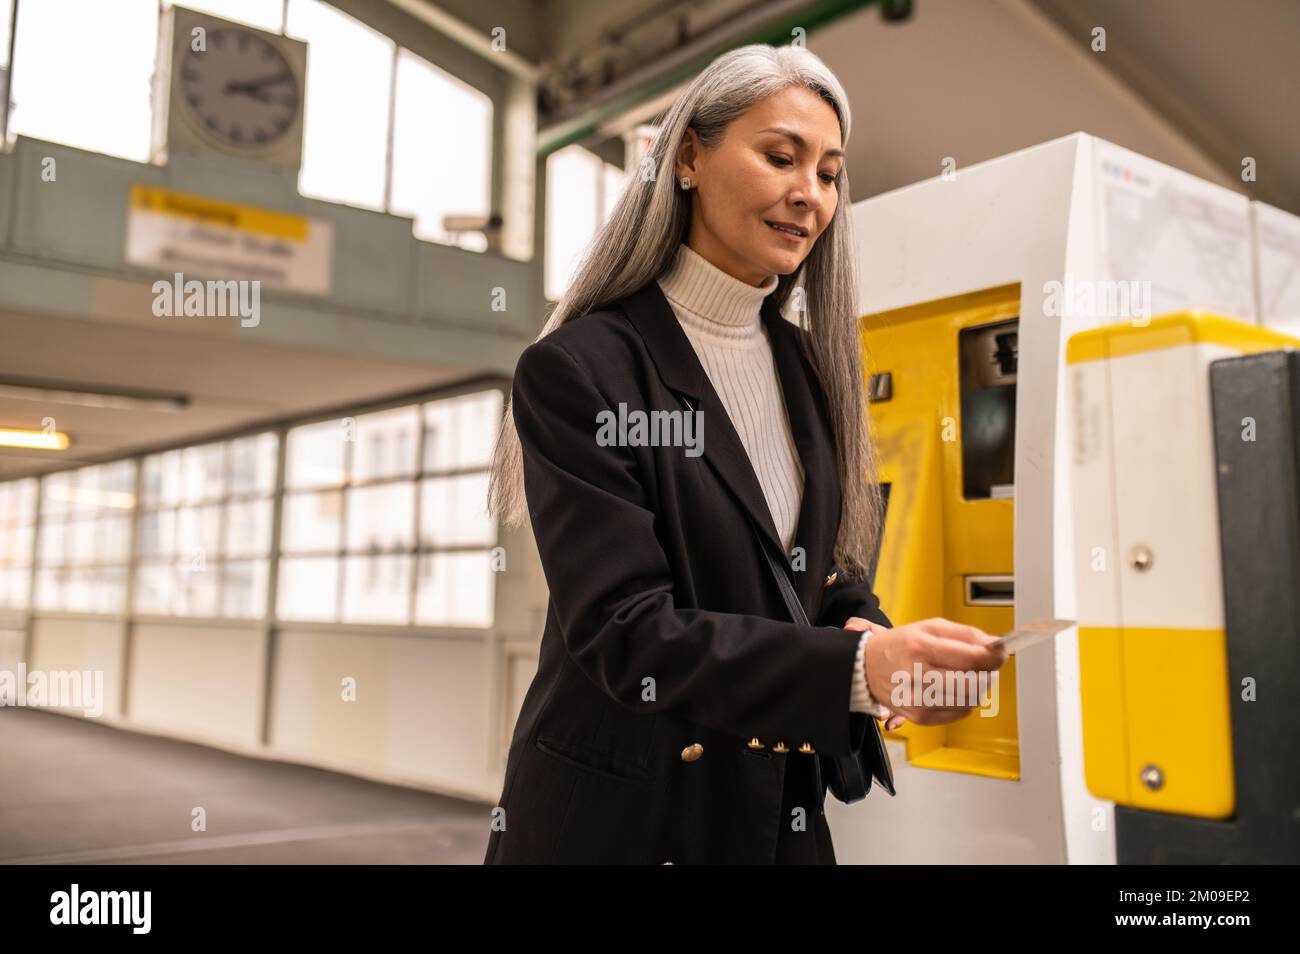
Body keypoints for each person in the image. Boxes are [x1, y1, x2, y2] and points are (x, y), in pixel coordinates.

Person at [483, 42, 1006, 865]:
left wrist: (876, 636)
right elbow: (629, 632)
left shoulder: (808, 365)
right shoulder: (582, 370)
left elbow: (817, 571)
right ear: (688, 156)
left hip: (774, 813)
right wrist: (861, 668)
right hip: (627, 819)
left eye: (830, 173)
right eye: (780, 157)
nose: (810, 194)